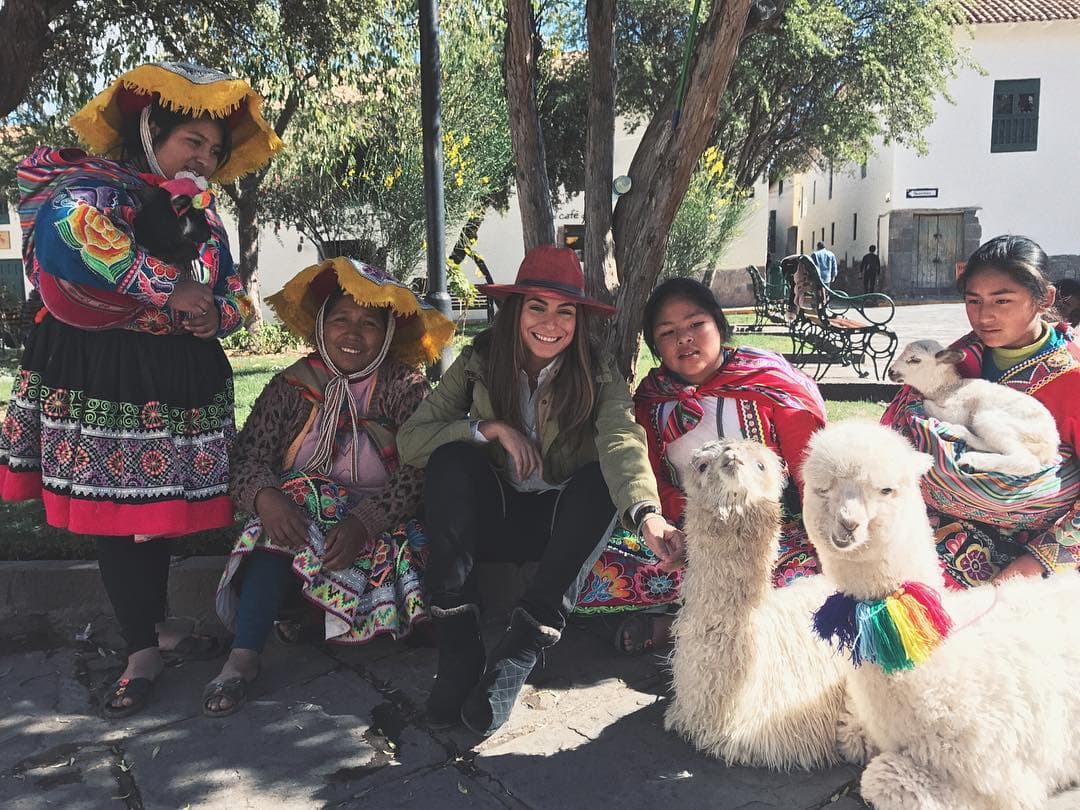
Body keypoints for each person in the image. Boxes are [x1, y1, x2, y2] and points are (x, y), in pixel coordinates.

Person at [0, 62, 281, 719]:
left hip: (175, 381)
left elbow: (235, 291)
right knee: (114, 512)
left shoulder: (206, 220)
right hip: (105, 376)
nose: (206, 159)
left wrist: (221, 313)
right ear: (151, 130)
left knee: (155, 514)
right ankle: (139, 650)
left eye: (215, 150)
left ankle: (154, 627)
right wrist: (165, 286)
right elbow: (65, 244)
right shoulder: (93, 187)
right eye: (194, 142)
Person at [397, 245, 681, 736]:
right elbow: (411, 439)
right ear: (515, 311)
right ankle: (460, 645)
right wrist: (487, 427)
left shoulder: (598, 371)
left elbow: (620, 438)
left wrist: (647, 512)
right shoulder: (478, 361)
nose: (551, 323)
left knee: (597, 482)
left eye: (564, 311)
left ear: (578, 320)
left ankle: (520, 648)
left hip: (558, 528)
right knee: (451, 460)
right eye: (537, 307)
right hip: (493, 518)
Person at [205, 257, 454, 716]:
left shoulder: (404, 388)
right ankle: (244, 655)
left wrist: (366, 520)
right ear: (322, 324)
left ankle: (321, 615)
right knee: (288, 503)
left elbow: (424, 465)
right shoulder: (292, 386)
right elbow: (247, 457)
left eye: (368, 324)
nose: (352, 334)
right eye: (340, 319)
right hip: (303, 528)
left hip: (381, 526)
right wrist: (266, 498)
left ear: (388, 334)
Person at [576, 278, 828, 652]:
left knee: (805, 573)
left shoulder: (767, 381)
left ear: (718, 325)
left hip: (770, 534)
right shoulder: (653, 400)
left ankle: (679, 626)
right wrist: (684, 530)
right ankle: (698, 625)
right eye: (668, 332)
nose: (685, 338)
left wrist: (817, 531)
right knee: (594, 570)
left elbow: (812, 470)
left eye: (696, 324)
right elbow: (653, 479)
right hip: (691, 532)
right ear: (655, 346)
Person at [884, 235, 1080, 588]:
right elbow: (896, 420)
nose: (984, 316)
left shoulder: (1073, 380)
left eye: (1002, 300)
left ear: (1044, 298)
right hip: (920, 513)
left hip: (1018, 548)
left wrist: (1034, 563)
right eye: (973, 301)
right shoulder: (961, 355)